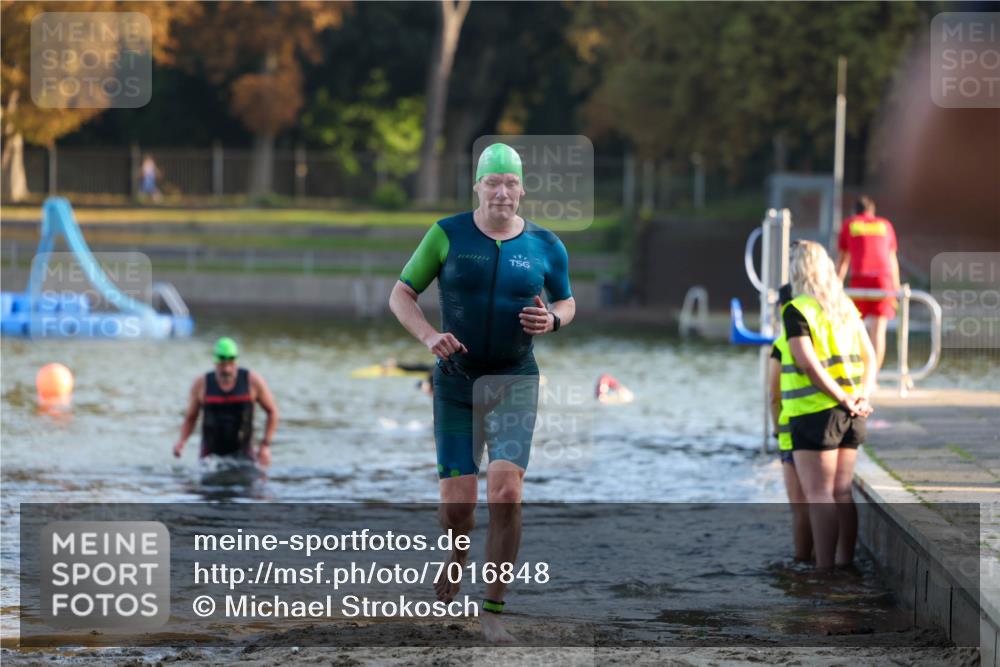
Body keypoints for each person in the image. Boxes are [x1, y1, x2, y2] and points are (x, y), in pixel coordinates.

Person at [388, 142, 575, 643]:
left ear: (521, 189)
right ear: (477, 186)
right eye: (493, 182)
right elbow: (401, 293)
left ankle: (492, 609)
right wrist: (429, 337)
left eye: (511, 183)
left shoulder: (545, 245)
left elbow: (567, 300)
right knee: (457, 507)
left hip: (515, 378)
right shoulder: (447, 234)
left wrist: (554, 320)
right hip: (455, 381)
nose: (502, 192)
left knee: (507, 492)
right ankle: (456, 551)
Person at [782, 241, 877, 570]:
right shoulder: (845, 306)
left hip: (816, 414)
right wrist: (861, 395)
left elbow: (808, 364)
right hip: (852, 413)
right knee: (841, 493)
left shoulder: (797, 309)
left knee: (818, 494)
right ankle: (845, 564)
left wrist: (841, 397)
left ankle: (824, 574)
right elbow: (870, 356)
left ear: (796, 270)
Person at [172, 337, 279, 467]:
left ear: (236, 361)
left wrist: (265, 445)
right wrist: (181, 442)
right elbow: (191, 418)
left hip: (244, 454)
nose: (227, 369)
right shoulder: (202, 384)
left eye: (231, 363)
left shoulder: (252, 381)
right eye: (222, 364)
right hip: (210, 456)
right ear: (215, 362)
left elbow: (272, 412)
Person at [768, 283, 812, 562]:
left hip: (792, 431)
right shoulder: (822, 330)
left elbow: (774, 394)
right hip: (826, 423)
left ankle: (802, 562)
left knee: (801, 508)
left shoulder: (783, 342)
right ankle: (829, 561)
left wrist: (776, 430)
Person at [836, 196, 900, 371]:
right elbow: (892, 259)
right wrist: (896, 288)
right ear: (872, 211)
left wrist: (835, 286)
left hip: (860, 280)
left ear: (855, 211)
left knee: (855, 328)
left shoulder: (850, 224)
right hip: (883, 281)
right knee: (878, 332)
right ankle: (873, 377)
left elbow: (843, 261)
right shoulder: (885, 225)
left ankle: (854, 372)